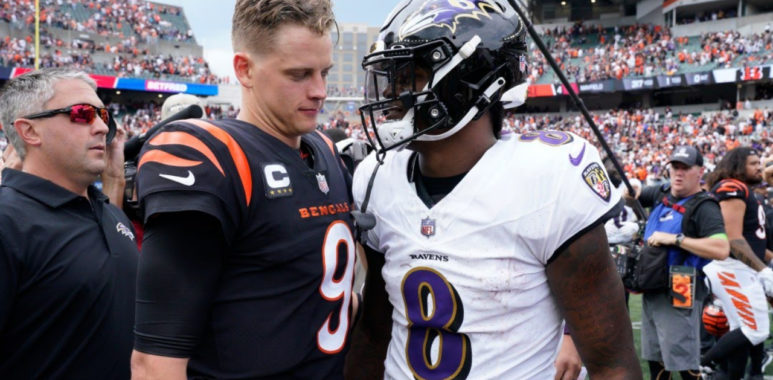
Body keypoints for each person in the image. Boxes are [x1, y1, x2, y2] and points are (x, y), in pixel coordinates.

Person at [346, 1, 641, 378]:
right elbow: (374, 332)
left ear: (465, 82)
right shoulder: (377, 176)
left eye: (409, 77)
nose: (391, 93)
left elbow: (612, 364)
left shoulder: (545, 178)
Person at [130, 1, 356, 379]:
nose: (319, 91)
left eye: (324, 72)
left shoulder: (326, 150)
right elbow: (155, 362)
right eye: (299, 74)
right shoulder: (214, 156)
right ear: (245, 69)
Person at [0, 68, 138, 379]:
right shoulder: (8, 222)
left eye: (103, 114)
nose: (103, 127)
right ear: (29, 132)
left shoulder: (110, 212)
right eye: (82, 114)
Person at [633, 146, 729, 380]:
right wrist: (632, 190)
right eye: (675, 167)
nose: (678, 173)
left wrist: (677, 239)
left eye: (685, 168)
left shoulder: (704, 206)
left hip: (681, 285)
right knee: (655, 359)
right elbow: (634, 193)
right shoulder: (661, 192)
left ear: (700, 172)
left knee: (685, 362)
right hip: (652, 285)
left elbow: (721, 249)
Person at [702, 147, 773, 379]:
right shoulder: (732, 187)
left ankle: (729, 375)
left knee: (741, 329)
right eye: (753, 163)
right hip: (733, 268)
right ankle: (700, 364)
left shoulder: (744, 189)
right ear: (738, 166)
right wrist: (763, 270)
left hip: (741, 268)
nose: (759, 168)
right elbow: (733, 239)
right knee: (757, 330)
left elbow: (753, 238)